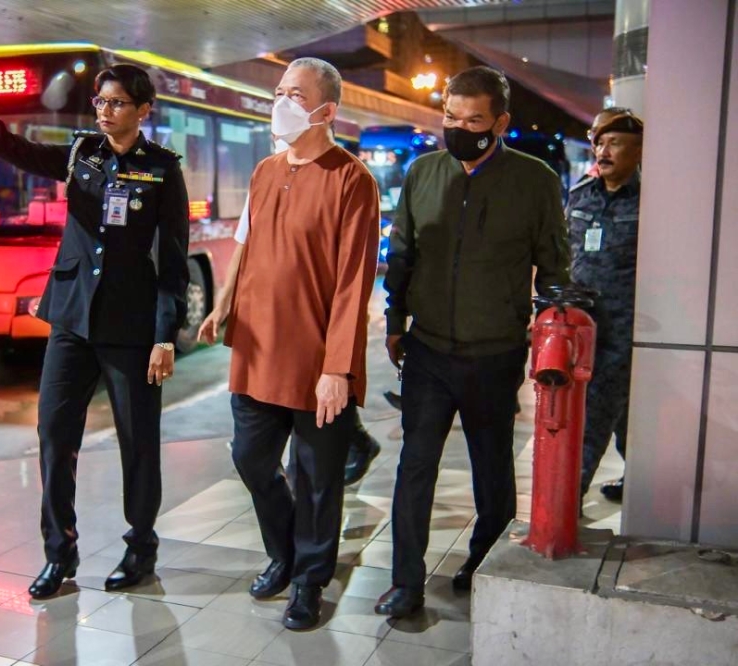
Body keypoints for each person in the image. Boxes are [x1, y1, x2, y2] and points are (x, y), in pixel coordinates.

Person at [0, 58, 190, 599]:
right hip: (71, 320)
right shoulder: (82, 155)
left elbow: (173, 263)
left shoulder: (162, 170)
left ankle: (140, 549)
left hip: (130, 328)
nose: (105, 112)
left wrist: (163, 335)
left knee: (139, 442)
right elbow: (8, 145)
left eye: (117, 104)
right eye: (100, 103)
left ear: (143, 110)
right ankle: (59, 554)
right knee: (55, 437)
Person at [378, 66, 570, 618]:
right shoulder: (423, 173)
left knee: (492, 467)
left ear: (501, 122)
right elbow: (403, 254)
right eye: (450, 117)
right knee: (415, 464)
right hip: (429, 351)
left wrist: (550, 332)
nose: (459, 128)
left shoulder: (534, 182)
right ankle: (406, 582)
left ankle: (484, 563)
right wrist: (395, 321)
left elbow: (554, 266)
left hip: (495, 352)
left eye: (473, 120)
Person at [223, 57, 379, 630]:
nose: (281, 101)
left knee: (316, 478)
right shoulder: (265, 171)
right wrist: (226, 307)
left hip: (317, 363)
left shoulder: (352, 180)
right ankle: (284, 551)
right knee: (250, 458)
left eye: (295, 94)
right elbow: (249, 249)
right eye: (279, 91)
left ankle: (309, 578)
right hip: (257, 350)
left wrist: (338, 367)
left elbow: (352, 283)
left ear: (326, 109)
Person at [198, 197, 382, 487]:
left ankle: (342, 453)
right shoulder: (266, 177)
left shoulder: (340, 180)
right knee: (255, 450)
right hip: (269, 328)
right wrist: (222, 306)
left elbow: (353, 273)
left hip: (313, 322)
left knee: (314, 418)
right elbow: (243, 244)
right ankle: (348, 447)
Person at [570, 110, 644, 504]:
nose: (603, 150)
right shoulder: (580, 195)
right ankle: (639, 480)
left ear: (639, 151)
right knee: (627, 416)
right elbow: (565, 255)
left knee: (597, 413)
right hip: (580, 325)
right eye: (600, 143)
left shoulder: (652, 203)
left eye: (615, 143)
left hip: (624, 328)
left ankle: (568, 496)